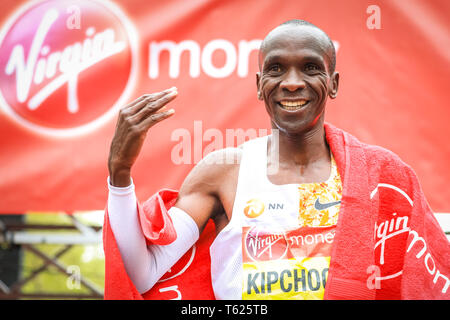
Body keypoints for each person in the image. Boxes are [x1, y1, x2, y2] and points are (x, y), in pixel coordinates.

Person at [105, 20, 450, 300]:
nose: (292, 83)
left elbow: (425, 281)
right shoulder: (225, 172)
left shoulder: (380, 177)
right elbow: (144, 271)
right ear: (259, 85)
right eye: (276, 69)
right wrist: (119, 173)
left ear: (333, 83)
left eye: (311, 67)